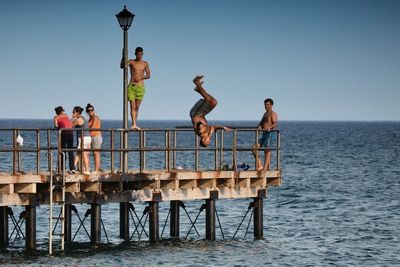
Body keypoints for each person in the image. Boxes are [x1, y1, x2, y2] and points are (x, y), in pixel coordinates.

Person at [190, 75, 230, 147]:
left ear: (203, 140)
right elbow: (214, 127)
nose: (209, 141)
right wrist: (223, 128)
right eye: (208, 142)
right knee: (214, 102)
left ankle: (196, 83)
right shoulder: (209, 134)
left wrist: (200, 126)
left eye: (207, 142)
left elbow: (199, 124)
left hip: (196, 113)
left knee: (208, 100)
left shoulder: (201, 132)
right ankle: (198, 89)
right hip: (202, 114)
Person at [120, 46, 151, 130]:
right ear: (135, 54)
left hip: (140, 87)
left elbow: (148, 75)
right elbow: (122, 66)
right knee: (132, 106)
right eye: (138, 54)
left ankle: (135, 124)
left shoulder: (145, 63)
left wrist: (141, 77)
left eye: (141, 54)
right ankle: (133, 124)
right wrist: (123, 56)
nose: (139, 56)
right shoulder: (131, 62)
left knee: (137, 107)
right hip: (132, 87)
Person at [253, 98, 278, 171]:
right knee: (254, 147)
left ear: (271, 105)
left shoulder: (273, 114)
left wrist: (270, 127)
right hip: (264, 134)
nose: (266, 106)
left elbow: (275, 123)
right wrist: (259, 127)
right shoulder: (265, 114)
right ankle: (260, 165)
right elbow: (261, 122)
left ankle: (265, 168)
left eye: (268, 105)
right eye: (265, 104)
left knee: (267, 151)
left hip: (269, 134)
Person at [53, 106, 75, 172]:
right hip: (70, 133)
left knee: (62, 151)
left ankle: (63, 168)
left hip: (63, 133)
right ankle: (72, 168)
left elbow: (56, 126)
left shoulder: (56, 117)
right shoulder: (66, 115)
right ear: (62, 111)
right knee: (70, 151)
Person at [71, 106, 91, 174]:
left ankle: (87, 170)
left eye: (73, 112)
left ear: (77, 113)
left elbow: (70, 125)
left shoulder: (79, 119)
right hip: (87, 137)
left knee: (83, 153)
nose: (72, 113)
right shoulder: (82, 118)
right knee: (79, 152)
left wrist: (73, 118)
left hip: (83, 138)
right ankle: (73, 167)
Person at [86, 103, 102, 173]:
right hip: (91, 137)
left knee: (96, 153)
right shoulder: (90, 119)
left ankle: (96, 169)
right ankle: (89, 168)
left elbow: (92, 127)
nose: (90, 111)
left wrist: (86, 129)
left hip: (96, 136)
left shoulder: (95, 117)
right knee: (89, 153)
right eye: (89, 110)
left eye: (92, 110)